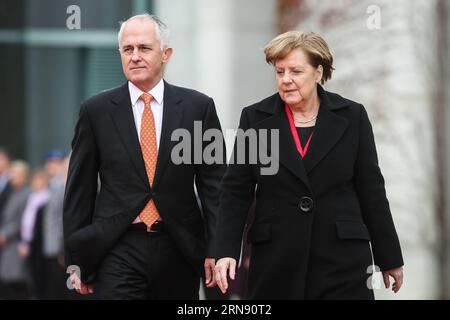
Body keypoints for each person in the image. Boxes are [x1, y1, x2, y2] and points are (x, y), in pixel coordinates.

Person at [214, 31, 404, 299]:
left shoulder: (353, 116)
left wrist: (390, 257)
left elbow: (371, 189)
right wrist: (224, 251)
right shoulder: (254, 119)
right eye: (280, 72)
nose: (286, 80)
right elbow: (235, 191)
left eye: (296, 71)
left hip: (342, 262)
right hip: (276, 263)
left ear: (318, 72)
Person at [64, 13, 225, 299]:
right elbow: (79, 191)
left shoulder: (198, 108)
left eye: (144, 48)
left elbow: (214, 187)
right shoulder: (96, 111)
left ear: (166, 54)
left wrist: (219, 249)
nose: (135, 56)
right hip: (116, 248)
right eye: (128, 49)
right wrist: (77, 260)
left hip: (179, 247)